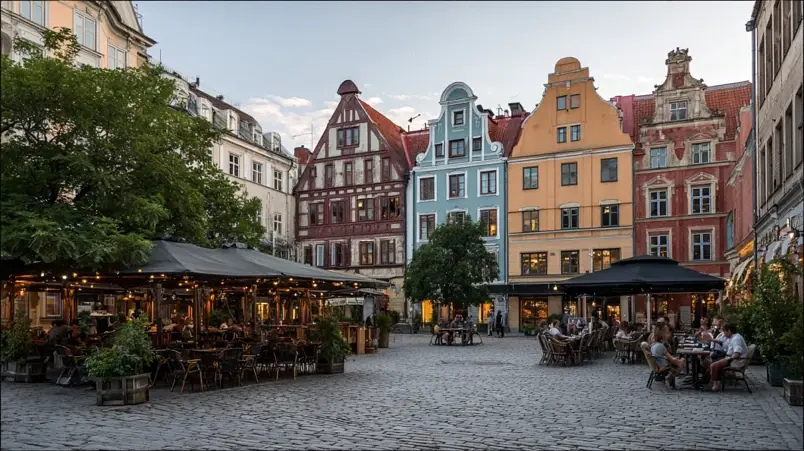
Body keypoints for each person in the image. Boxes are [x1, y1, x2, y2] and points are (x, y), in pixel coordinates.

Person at [706, 323, 748, 391]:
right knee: (710, 364)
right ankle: (715, 382)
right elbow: (722, 342)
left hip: (734, 361)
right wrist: (711, 340)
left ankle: (716, 385)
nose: (724, 334)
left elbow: (737, 354)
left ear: (729, 331)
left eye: (724, 331)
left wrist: (728, 359)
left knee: (713, 365)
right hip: (730, 358)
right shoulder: (732, 337)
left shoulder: (736, 339)